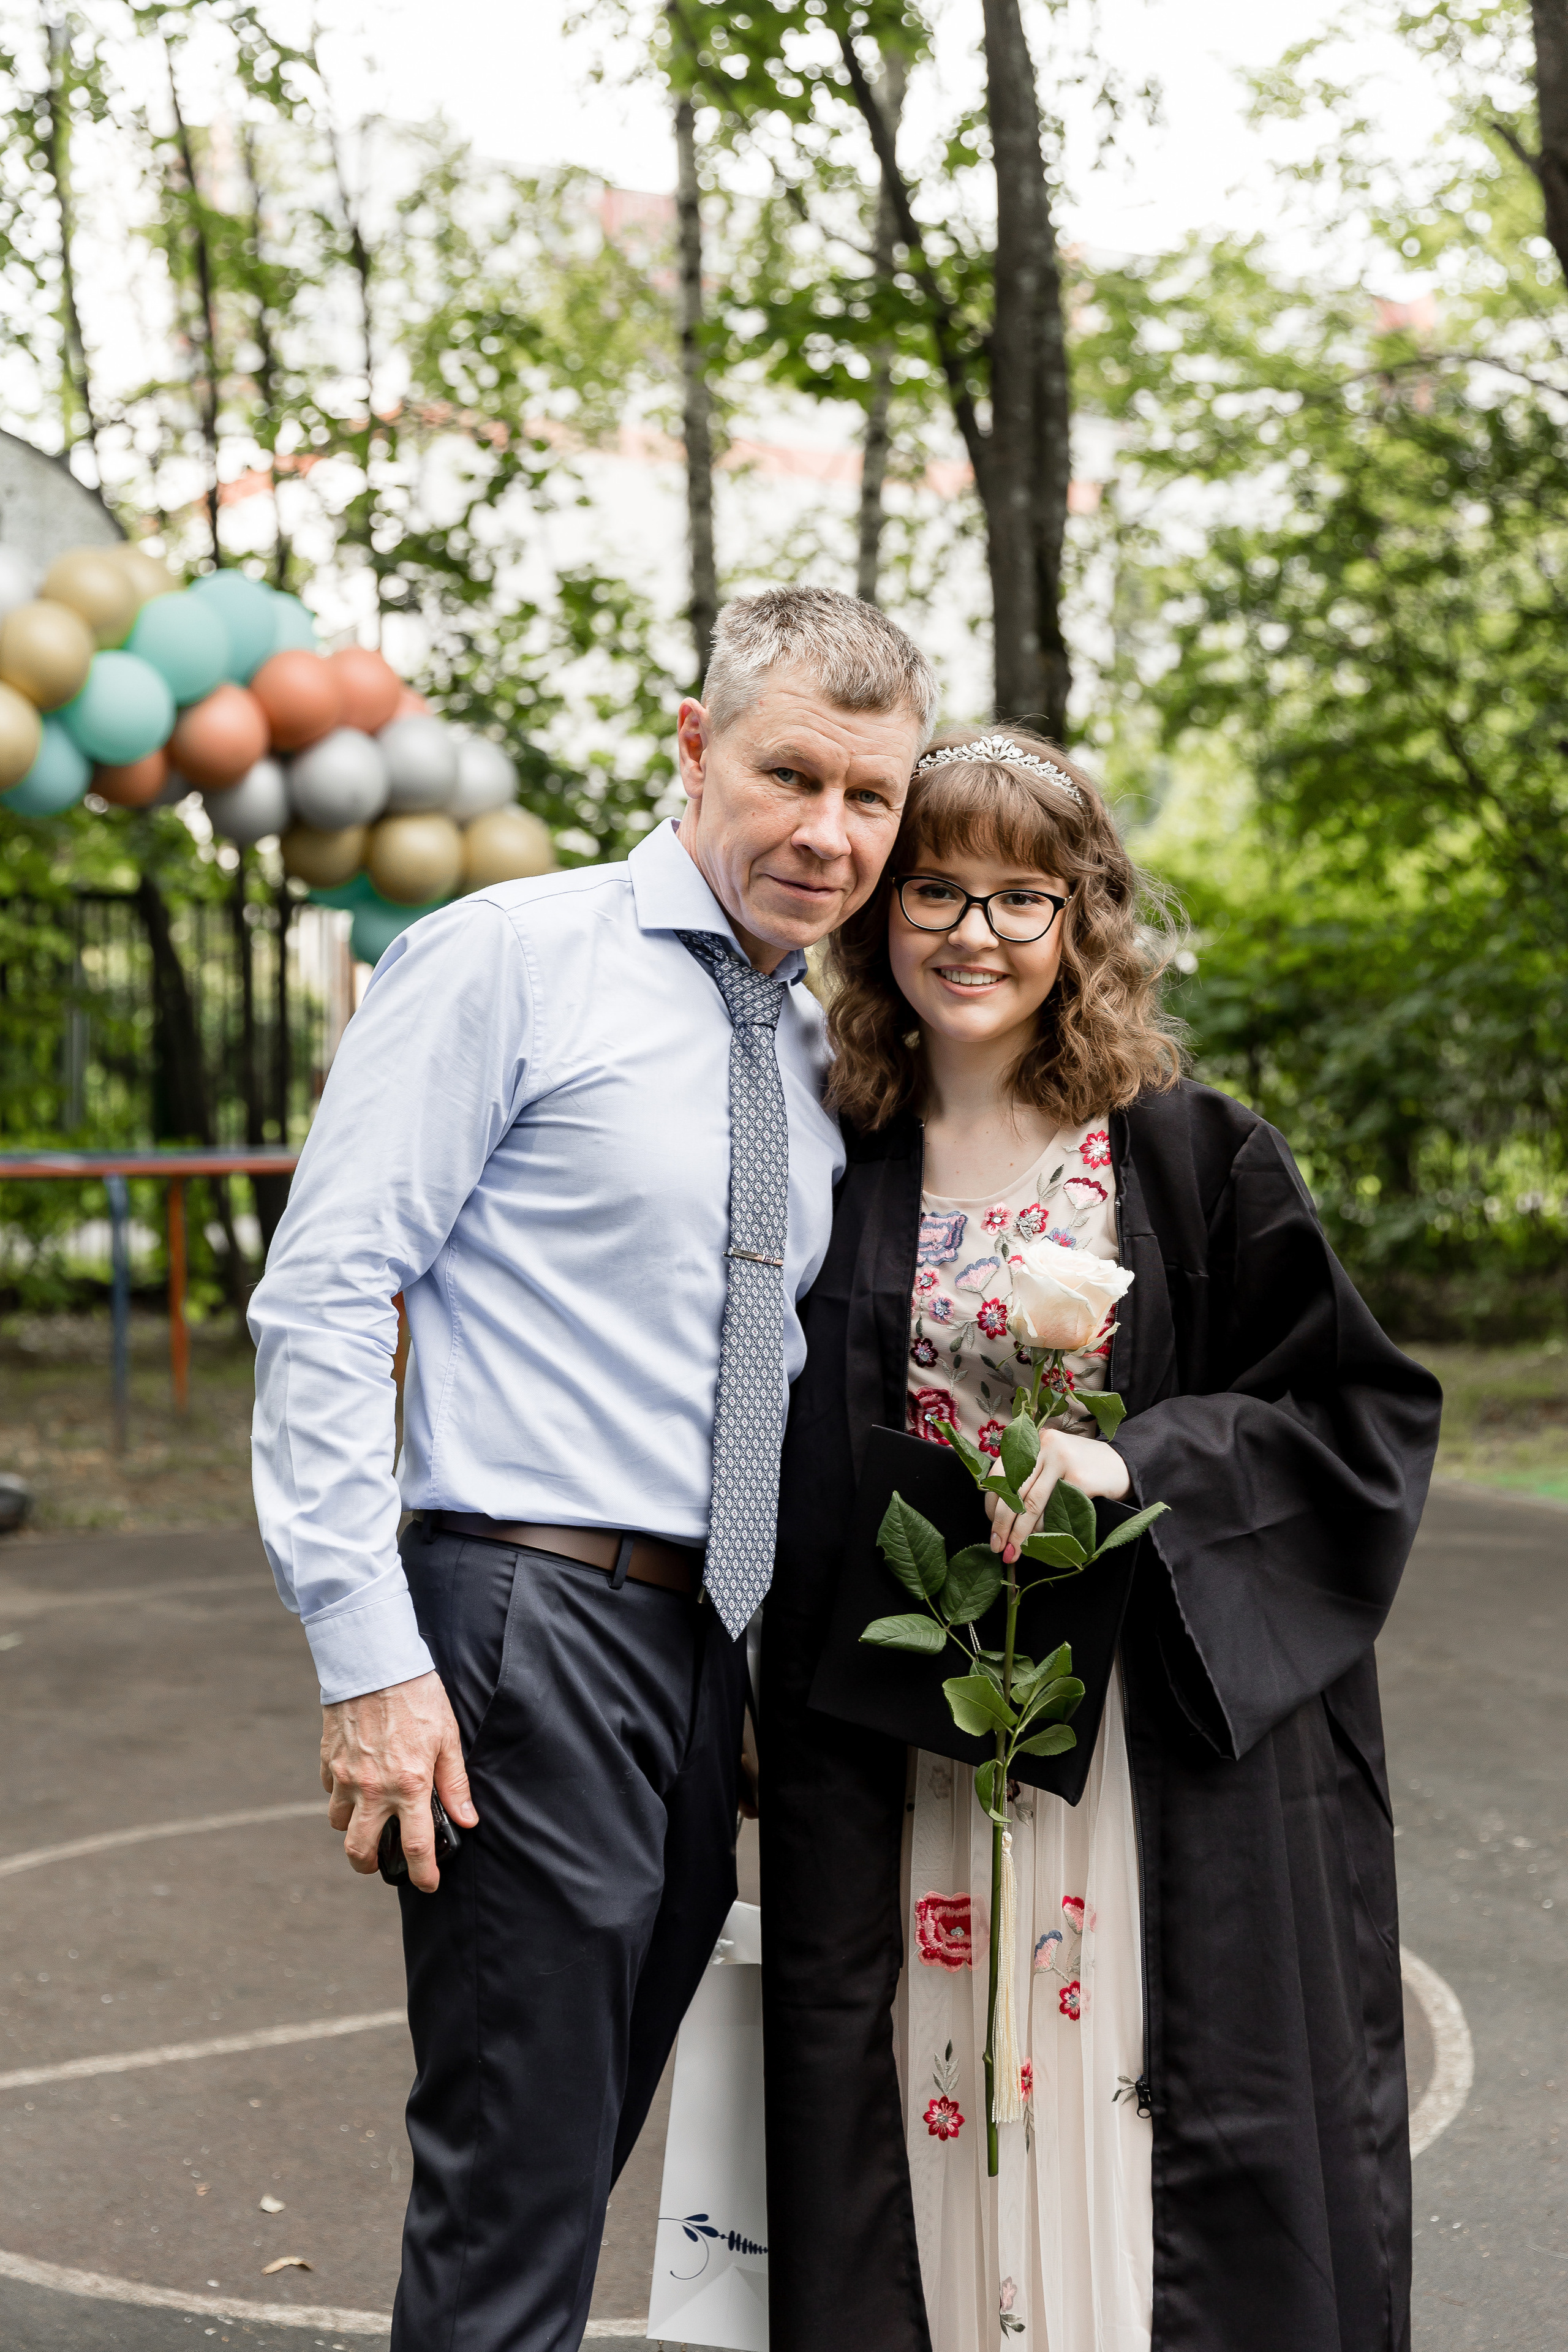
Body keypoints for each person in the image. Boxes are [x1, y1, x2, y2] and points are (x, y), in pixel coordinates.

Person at [247, 585, 937, 2352]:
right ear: (694, 747)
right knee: (520, 2172)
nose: (828, 833)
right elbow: (328, 1293)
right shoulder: (504, 957)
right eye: (791, 774)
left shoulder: (817, 1041)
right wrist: (368, 1657)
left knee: (595, 2138)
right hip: (519, 1615)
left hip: (706, 1651)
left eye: (872, 799)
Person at [761, 729, 1443, 2352]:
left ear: (1082, 922)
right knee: (925, 2095)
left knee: (1130, 2107)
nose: (973, 932)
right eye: (936, 888)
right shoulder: (831, 1164)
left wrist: (1129, 1461)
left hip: (1144, 1763)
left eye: (1021, 896)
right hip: (912, 1757)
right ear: (883, 915)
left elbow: (1351, 1422)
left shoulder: (1191, 1160)